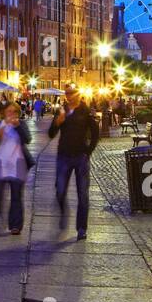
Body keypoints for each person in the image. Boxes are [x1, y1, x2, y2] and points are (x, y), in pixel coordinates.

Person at [48, 85, 100, 240]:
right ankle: (64, 211)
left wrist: (88, 151)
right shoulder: (61, 111)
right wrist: (58, 122)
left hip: (80, 157)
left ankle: (82, 228)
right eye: (67, 93)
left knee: (82, 194)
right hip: (63, 155)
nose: (68, 95)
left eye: (71, 93)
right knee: (60, 190)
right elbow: (51, 134)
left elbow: (95, 132)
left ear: (78, 94)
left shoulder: (86, 111)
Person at [0, 100, 34, 234]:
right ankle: (1, 218)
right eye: (9, 111)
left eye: (14, 112)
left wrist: (18, 126)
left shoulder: (21, 124)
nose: (11, 114)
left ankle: (15, 225)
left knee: (16, 196)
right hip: (0, 163)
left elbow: (28, 139)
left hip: (17, 163)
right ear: (4, 113)